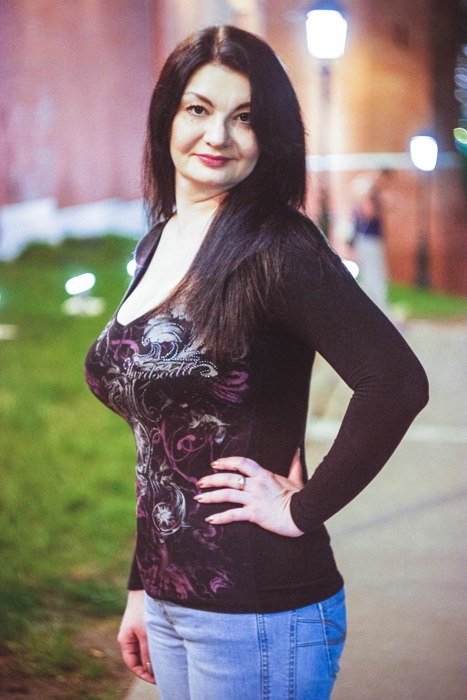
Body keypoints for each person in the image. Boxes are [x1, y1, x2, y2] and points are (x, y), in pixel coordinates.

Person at [84, 26, 429, 700]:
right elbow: (158, 444)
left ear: (271, 134)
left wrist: (303, 509)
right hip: (171, 604)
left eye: (244, 117)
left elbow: (394, 382)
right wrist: (141, 587)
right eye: (199, 108)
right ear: (167, 116)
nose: (218, 135)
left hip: (257, 610)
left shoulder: (276, 247)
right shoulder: (158, 243)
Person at [350, 170, 392, 314]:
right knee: (373, 273)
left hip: (370, 239)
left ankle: (376, 305)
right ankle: (376, 306)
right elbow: (369, 213)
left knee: (374, 272)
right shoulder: (367, 198)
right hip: (368, 240)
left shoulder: (371, 196)